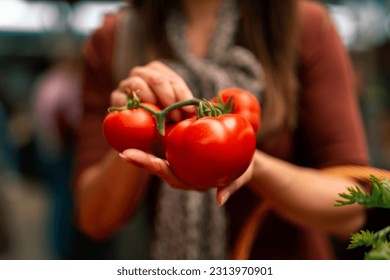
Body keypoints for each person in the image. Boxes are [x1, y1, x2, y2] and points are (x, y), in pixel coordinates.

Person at [72, 0, 370, 259]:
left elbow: (354, 206)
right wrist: (140, 130)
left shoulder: (303, 25)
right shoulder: (117, 39)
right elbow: (94, 219)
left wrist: (251, 166)